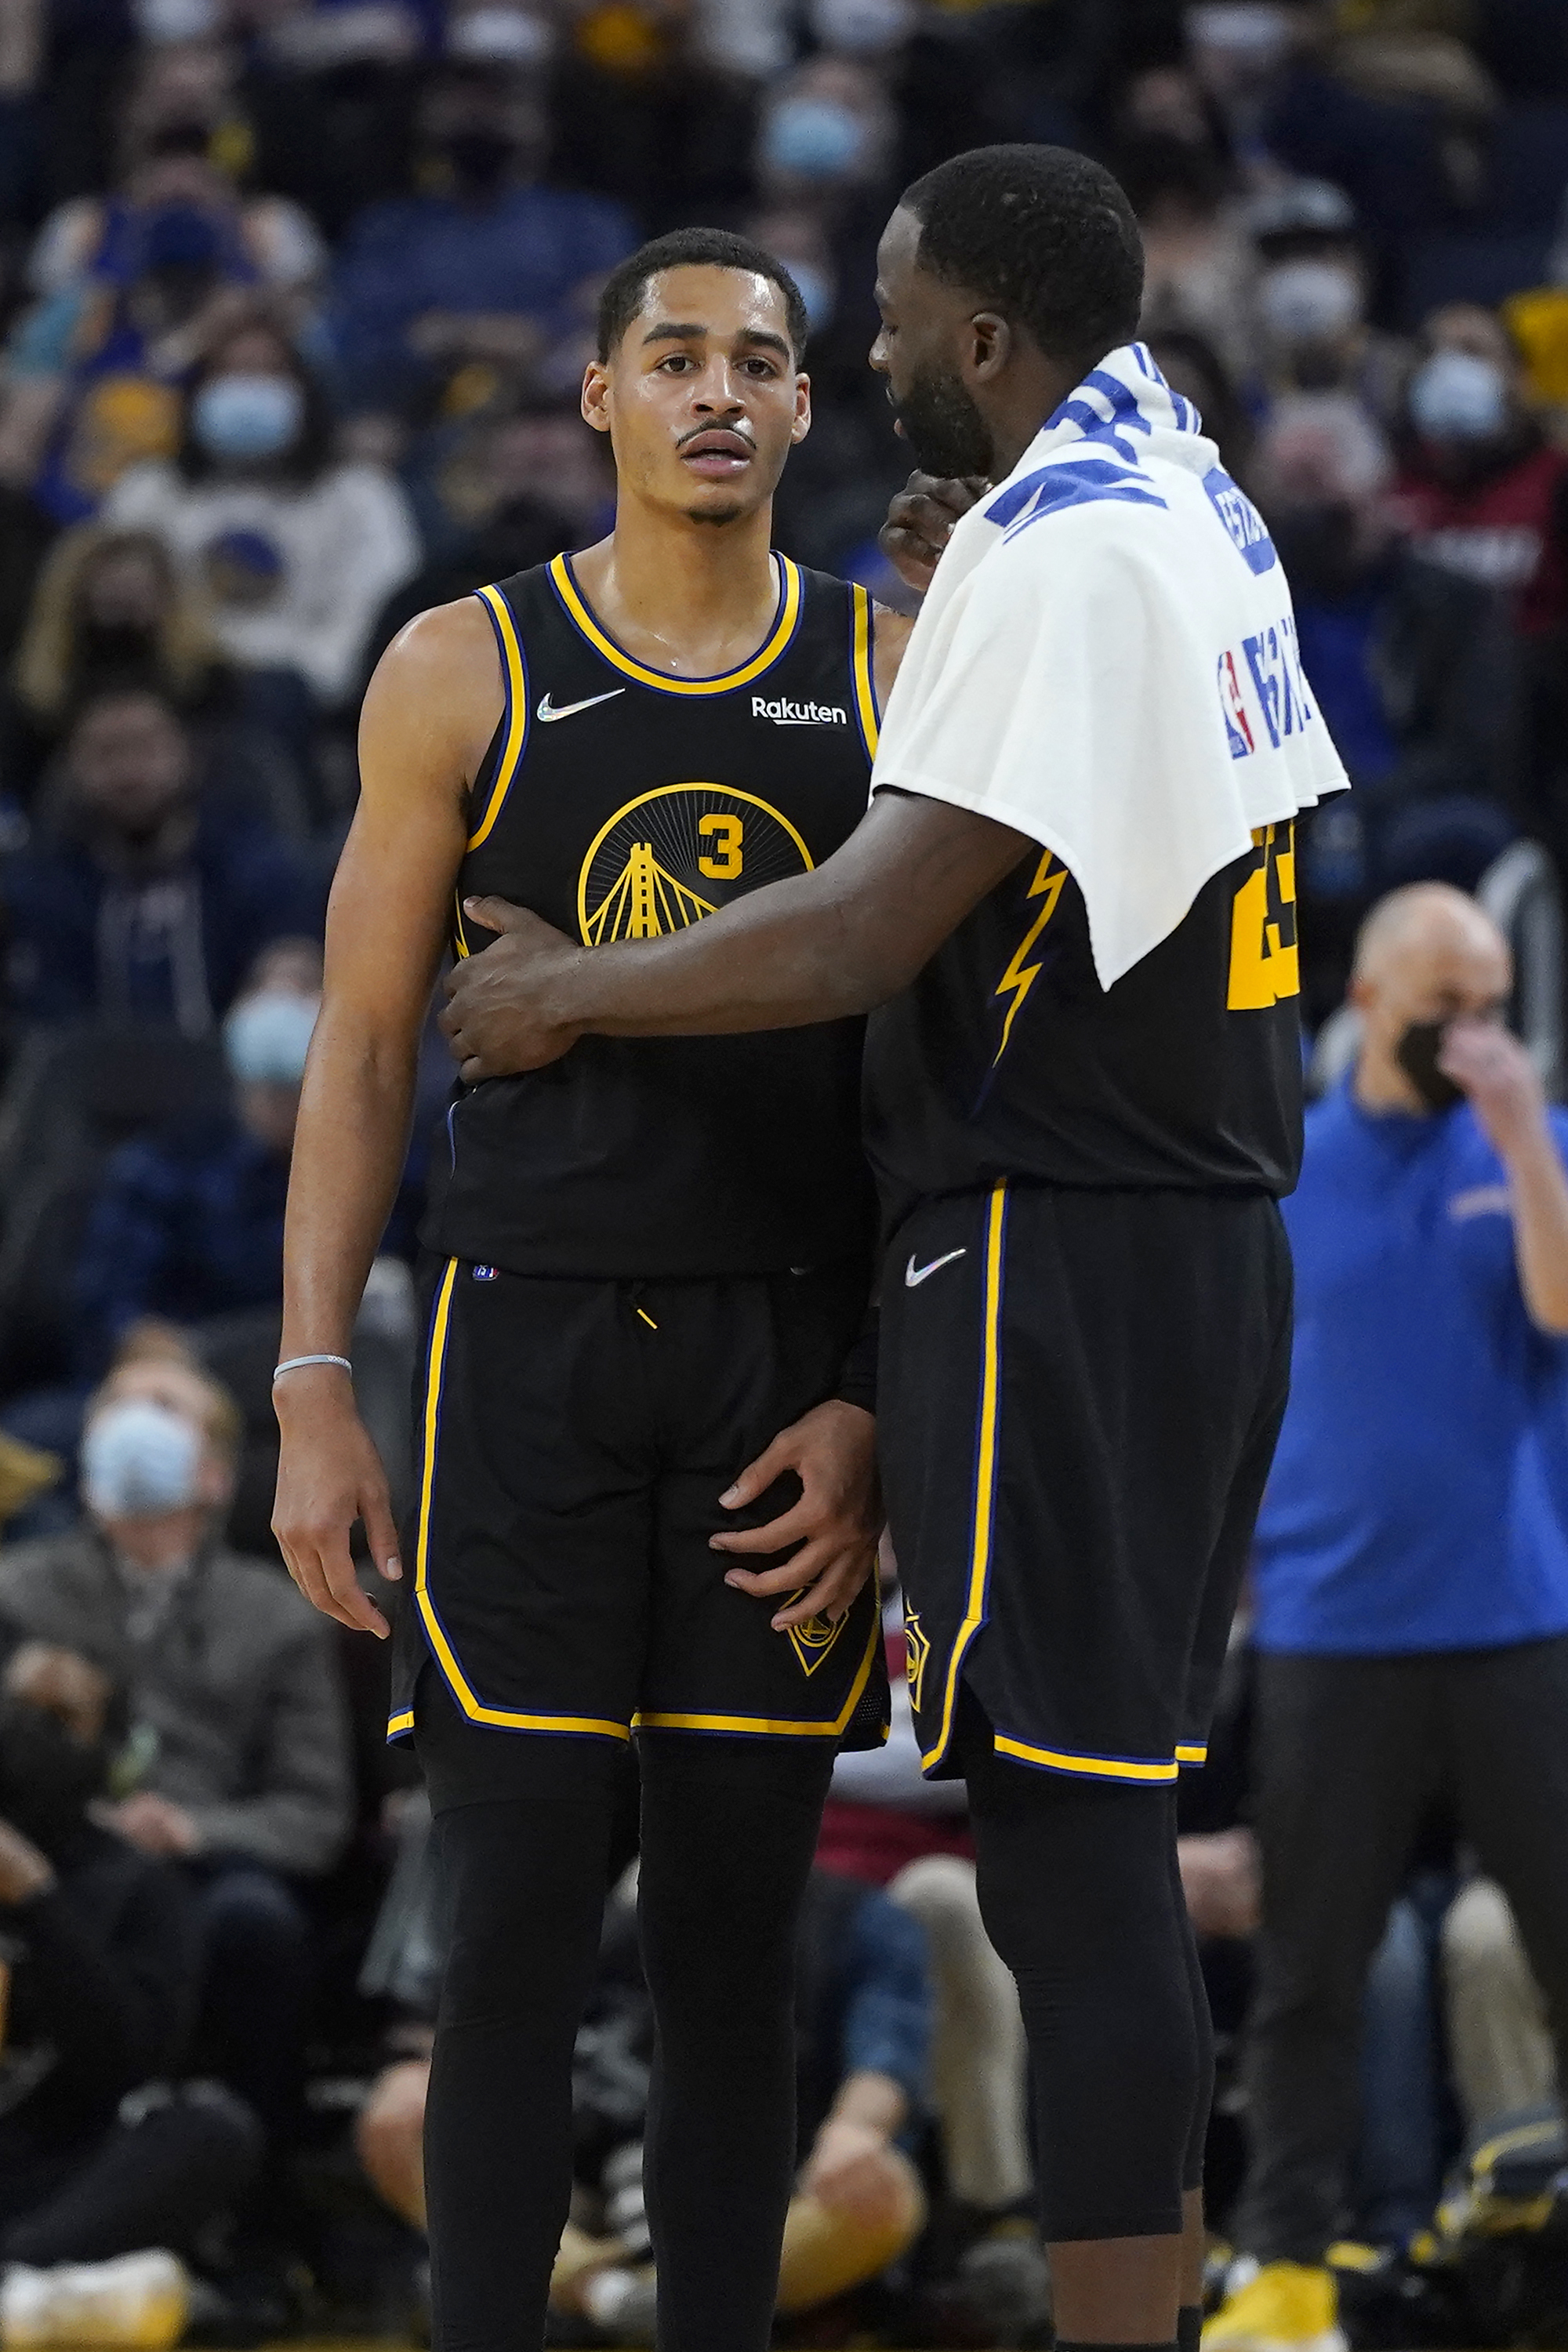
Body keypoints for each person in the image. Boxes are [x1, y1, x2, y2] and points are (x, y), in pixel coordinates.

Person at [434, 141, 1347, 2352]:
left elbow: (859, 934)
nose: (847, 358)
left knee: (1064, 1856)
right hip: (1196, 1233)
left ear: (979, 346)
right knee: (1083, 1843)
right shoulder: (1188, 507)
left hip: (1064, 1237)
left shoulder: (1062, 550)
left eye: (870, 318)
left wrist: (563, 993)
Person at [272, 224, 912, 2352]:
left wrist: (887, 1406)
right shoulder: (461, 663)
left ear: (809, 409)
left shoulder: (896, 665)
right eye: (675, 356)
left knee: (736, 1959)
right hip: (518, 1353)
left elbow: (948, 1087)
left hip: (789, 1367)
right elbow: (365, 1054)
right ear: (601, 398)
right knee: (511, 1954)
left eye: (760, 360)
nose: (719, 390)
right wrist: (307, 1385)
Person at [1207, 883, 1568, 2352]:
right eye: (1447, 1010)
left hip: (1514, 1618)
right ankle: (1284, 2267)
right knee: (1310, 1971)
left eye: (1494, 1006)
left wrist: (1520, 1130)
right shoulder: (1282, 1162)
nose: (1475, 1035)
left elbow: (1561, 1312)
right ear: (1367, 1002)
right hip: (1329, 1626)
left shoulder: (1529, 1147)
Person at [0, 1340, 351, 2201]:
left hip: (207, 1866)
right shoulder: (19, 1591)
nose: (134, 1428)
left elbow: (314, 1813)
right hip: (60, 1856)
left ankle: (252, 2195)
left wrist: (194, 1829)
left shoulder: (278, 1615)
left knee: (251, 1921)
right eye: (118, 1407)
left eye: (164, 1411)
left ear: (216, 1474)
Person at [0, 1634, 260, 2347]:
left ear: (112, 1746)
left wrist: (39, 1905)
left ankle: (19, 2283)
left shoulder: (138, 1885)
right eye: (15, 1706)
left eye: (59, 1715)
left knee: (210, 2130)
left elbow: (126, 2062)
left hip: (57, 2162)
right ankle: (38, 2301)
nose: (24, 1731)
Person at [103, 315, 420, 711]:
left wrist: (310, 682)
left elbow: (377, 607)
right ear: (198, 391)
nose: (248, 389)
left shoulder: (360, 494)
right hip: (171, 691)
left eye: (268, 373)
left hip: (312, 699)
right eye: (231, 373)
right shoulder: (148, 490)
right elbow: (117, 601)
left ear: (304, 391)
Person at [327, 60, 636, 423]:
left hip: (559, 420)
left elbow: (614, 320)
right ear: (427, 117)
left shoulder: (589, 226)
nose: (479, 114)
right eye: (462, 99)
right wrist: (450, 341)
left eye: (498, 100)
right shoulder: (387, 230)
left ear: (538, 122)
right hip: (414, 421)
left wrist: (541, 333)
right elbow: (360, 333)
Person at [1, 686, 321, 1029]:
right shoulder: (46, 888)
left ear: (186, 754)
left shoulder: (254, 862)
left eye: (145, 748)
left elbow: (289, 950)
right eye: (106, 753)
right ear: (73, 768)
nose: (128, 770)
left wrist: (281, 986)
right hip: (90, 1077)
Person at [72, 942, 324, 1370]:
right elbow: (108, 1308)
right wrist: (145, 1344)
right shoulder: (166, 1164)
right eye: (268, 990)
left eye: (303, 990)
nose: (283, 1008)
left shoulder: (396, 1171)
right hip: (189, 1378)